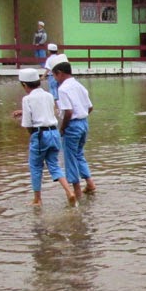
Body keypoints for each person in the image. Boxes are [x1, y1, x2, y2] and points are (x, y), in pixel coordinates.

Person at [10, 68, 76, 206]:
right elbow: (47, 112)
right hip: (54, 133)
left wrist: (33, 135)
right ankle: (69, 192)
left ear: (24, 85)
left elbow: (28, 123)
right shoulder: (48, 95)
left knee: (35, 166)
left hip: (40, 135)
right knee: (54, 165)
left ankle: (37, 199)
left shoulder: (27, 99)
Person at [51, 61, 97, 199]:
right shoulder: (79, 86)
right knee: (79, 154)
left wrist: (63, 128)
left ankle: (76, 192)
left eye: (55, 76)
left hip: (73, 125)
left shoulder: (63, 89)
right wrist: (82, 117)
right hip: (83, 123)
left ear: (60, 73)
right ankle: (90, 184)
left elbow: (68, 112)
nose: (55, 79)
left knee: (70, 158)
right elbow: (90, 107)